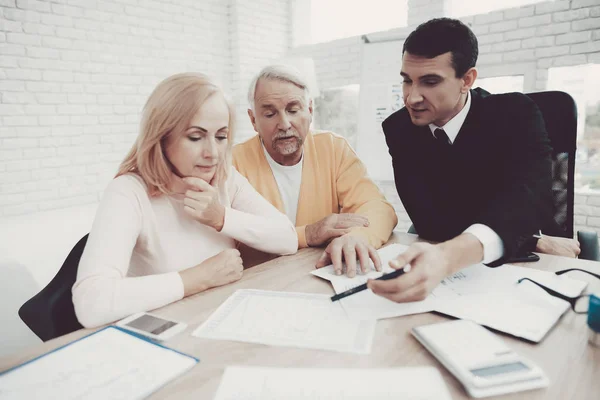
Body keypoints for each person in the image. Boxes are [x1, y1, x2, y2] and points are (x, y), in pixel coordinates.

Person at [369, 18, 579, 304]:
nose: (411, 97)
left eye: (430, 81)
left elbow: (530, 201)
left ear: (466, 80)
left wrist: (450, 256)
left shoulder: (516, 115)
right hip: (457, 277)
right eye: (407, 80)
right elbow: (431, 222)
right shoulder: (399, 129)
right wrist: (530, 240)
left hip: (525, 272)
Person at [73, 73, 297, 328]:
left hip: (218, 321)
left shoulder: (225, 179)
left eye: (221, 137)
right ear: (162, 136)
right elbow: (91, 302)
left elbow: (287, 239)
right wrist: (199, 277)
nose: (212, 153)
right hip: (165, 335)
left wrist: (221, 217)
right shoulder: (128, 192)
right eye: (195, 137)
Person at [233, 65, 398, 277]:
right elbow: (236, 239)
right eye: (269, 113)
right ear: (253, 120)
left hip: (321, 275)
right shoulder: (233, 163)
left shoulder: (333, 148)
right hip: (260, 281)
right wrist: (308, 234)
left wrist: (357, 237)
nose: (284, 124)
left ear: (310, 111)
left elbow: (377, 207)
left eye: (293, 110)